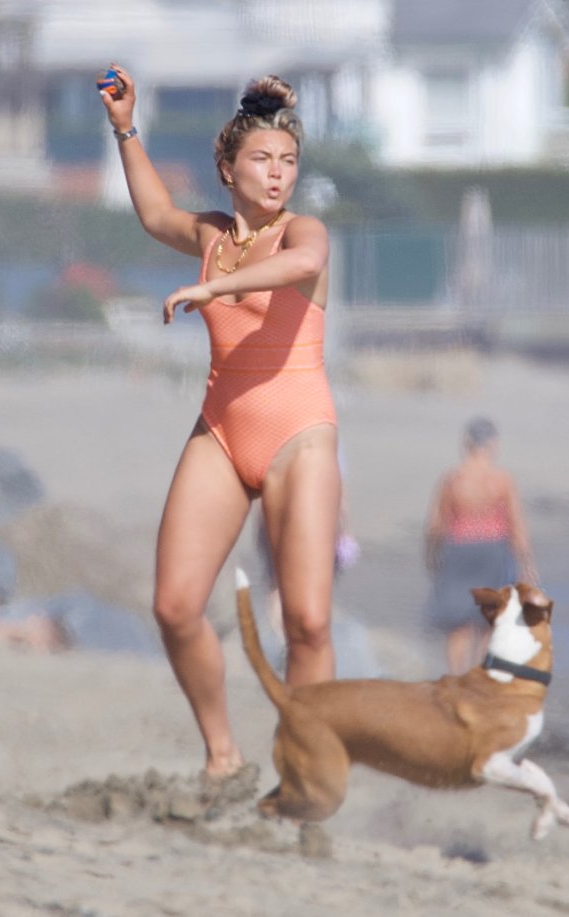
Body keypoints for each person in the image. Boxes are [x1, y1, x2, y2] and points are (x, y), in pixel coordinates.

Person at [98, 66, 342, 777]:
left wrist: (218, 286)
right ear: (229, 169)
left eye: (288, 160)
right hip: (223, 432)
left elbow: (302, 263)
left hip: (300, 438)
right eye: (262, 159)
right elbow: (154, 214)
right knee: (175, 607)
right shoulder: (210, 233)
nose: (278, 173)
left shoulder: (302, 231)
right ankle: (223, 755)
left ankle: (306, 770)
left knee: (307, 622)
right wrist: (124, 128)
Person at [423, 417, 538, 675]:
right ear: (493, 444)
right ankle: (478, 677)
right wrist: (527, 563)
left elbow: (435, 524)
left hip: (459, 549)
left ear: (467, 443)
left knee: (458, 623)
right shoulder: (501, 480)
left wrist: (430, 555)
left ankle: (457, 678)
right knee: (488, 620)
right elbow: (516, 524)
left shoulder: (453, 479)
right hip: (493, 550)